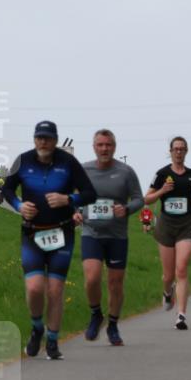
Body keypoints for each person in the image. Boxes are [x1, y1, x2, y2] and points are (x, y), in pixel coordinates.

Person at [1, 121, 97, 360]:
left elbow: (90, 193)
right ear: (34, 139)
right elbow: (7, 189)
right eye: (39, 138)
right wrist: (19, 206)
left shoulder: (68, 163)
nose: (43, 142)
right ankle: (37, 328)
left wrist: (69, 200)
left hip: (61, 234)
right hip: (32, 233)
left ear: (55, 140)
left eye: (47, 138)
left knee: (55, 290)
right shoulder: (22, 160)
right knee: (34, 288)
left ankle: (53, 342)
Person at [77, 129, 144, 345]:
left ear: (114, 147)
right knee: (92, 277)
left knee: (115, 283)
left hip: (117, 235)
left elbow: (138, 199)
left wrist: (126, 209)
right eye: (100, 145)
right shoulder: (83, 170)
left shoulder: (126, 172)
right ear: (94, 146)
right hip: (91, 232)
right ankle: (96, 314)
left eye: (108, 145)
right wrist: (75, 211)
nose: (104, 148)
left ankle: (113, 325)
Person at [145, 136, 191, 330]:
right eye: (175, 149)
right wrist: (162, 191)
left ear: (186, 151)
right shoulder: (161, 174)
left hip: (187, 224)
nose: (178, 152)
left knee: (182, 268)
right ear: (170, 151)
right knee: (168, 275)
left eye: (182, 149)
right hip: (167, 225)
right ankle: (167, 293)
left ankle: (181, 315)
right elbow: (147, 199)